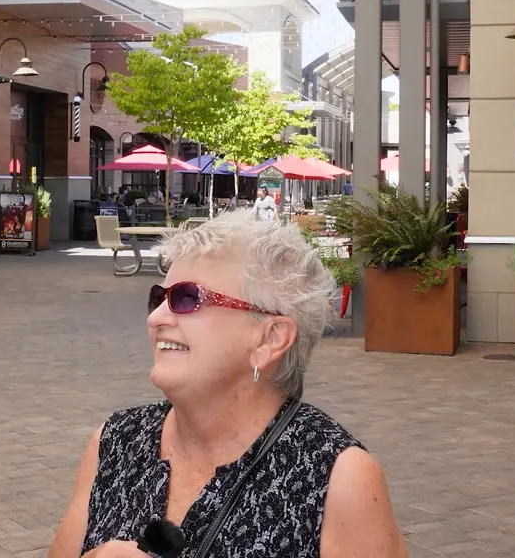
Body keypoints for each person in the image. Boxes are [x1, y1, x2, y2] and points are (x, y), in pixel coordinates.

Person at [49, 212, 406, 557]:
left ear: (269, 339)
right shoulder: (115, 442)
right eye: (159, 298)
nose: (156, 318)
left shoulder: (337, 477)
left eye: (187, 298)